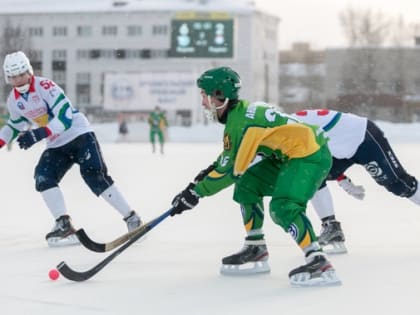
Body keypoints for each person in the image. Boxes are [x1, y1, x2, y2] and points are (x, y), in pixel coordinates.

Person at [169, 66, 341, 287]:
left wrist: (195, 193)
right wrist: (205, 175)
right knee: (247, 184)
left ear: (220, 95)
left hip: (309, 154)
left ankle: (317, 259)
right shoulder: (239, 115)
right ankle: (255, 247)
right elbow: (233, 159)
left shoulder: (240, 123)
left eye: (205, 95)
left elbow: (230, 170)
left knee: (283, 207)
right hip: (290, 154)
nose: (203, 102)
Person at [228, 108, 420, 255]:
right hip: (338, 146)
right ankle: (332, 227)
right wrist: (342, 178)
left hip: (363, 137)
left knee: (400, 185)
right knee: (310, 177)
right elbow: (316, 155)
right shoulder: (276, 127)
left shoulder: (283, 132)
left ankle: (331, 226)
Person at [0, 51, 142, 247]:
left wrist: (39, 133)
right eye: (13, 77)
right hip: (56, 144)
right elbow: (14, 126)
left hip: (79, 135)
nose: (18, 80)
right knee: (43, 176)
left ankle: (131, 218)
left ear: (29, 72)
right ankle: (64, 224)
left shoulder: (45, 86)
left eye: (21, 74)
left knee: (94, 176)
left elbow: (65, 117)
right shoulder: (13, 100)